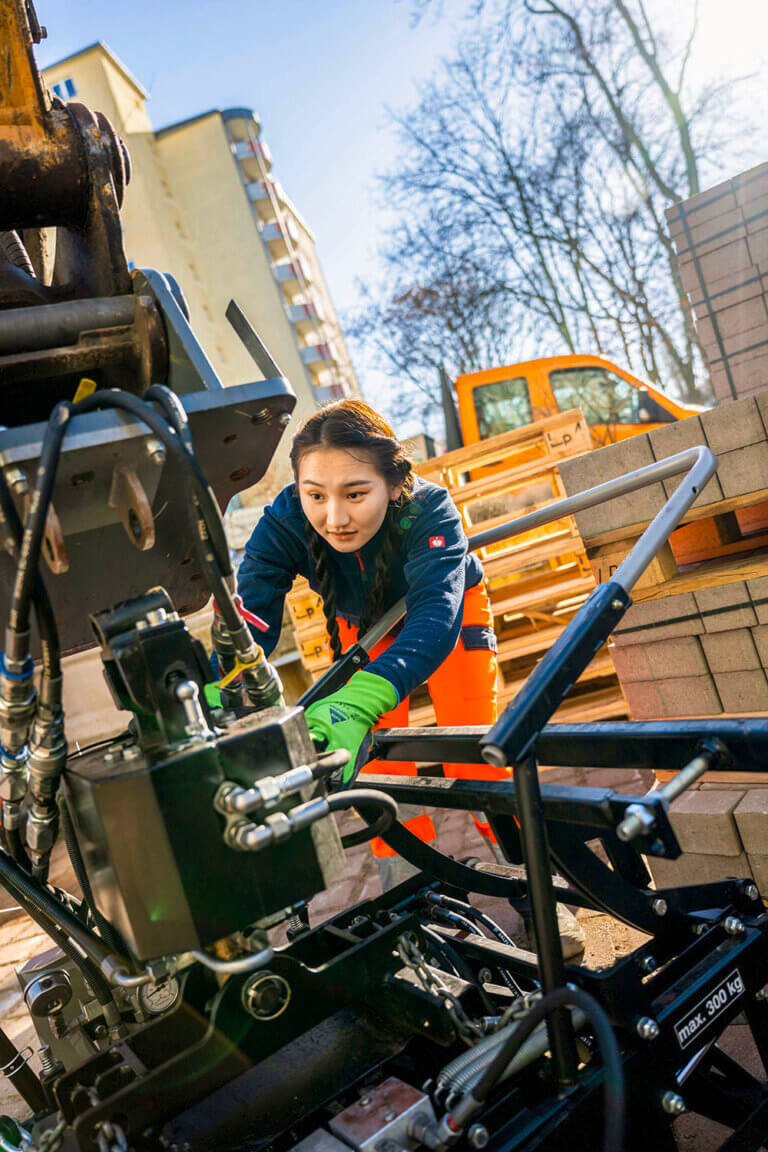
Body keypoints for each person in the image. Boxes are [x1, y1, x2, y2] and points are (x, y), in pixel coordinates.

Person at [237, 400, 584, 957]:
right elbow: (248, 620)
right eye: (316, 494)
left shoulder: (432, 510)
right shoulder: (284, 520)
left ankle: (538, 898)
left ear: (394, 482)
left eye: (355, 493)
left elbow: (432, 619)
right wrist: (221, 682)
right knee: (375, 771)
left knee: (481, 754)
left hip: (445, 613)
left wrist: (364, 699)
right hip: (361, 623)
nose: (334, 517)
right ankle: (416, 906)